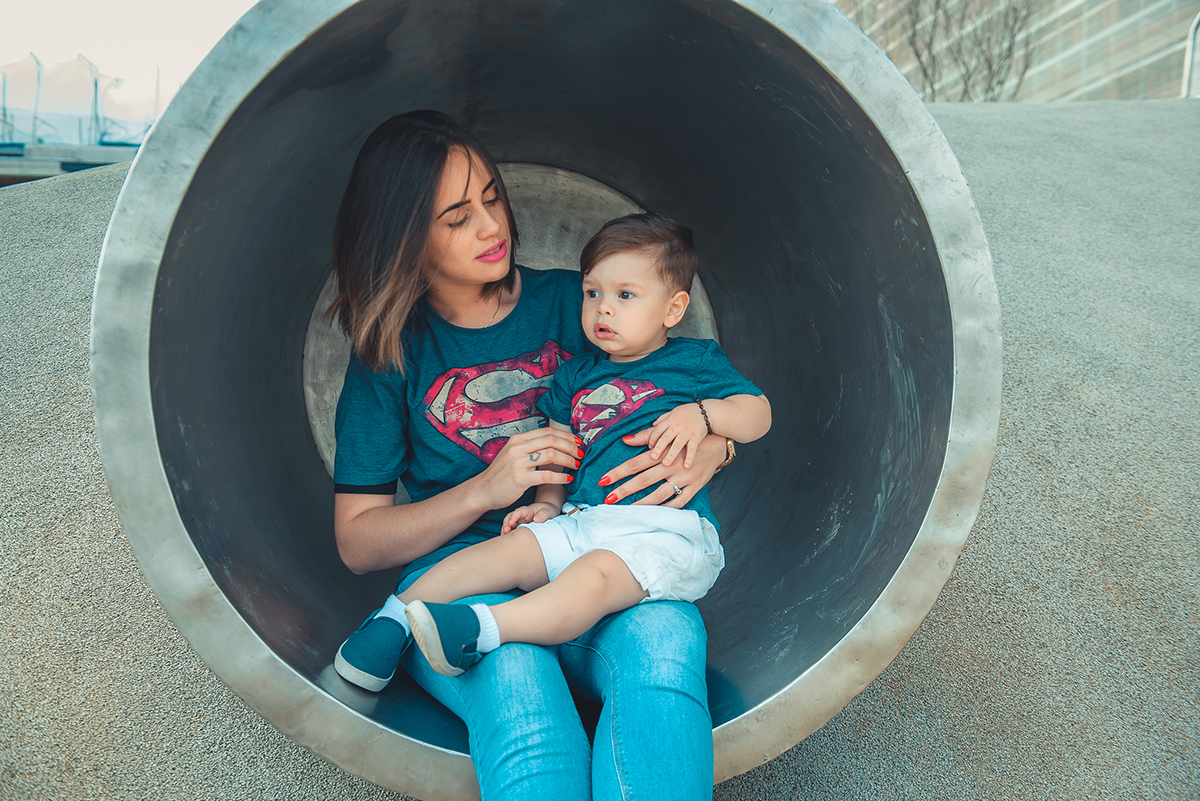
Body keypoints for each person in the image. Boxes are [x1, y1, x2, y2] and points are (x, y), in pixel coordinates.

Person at [327, 110, 732, 799]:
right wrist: (486, 489)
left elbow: (679, 390)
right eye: (456, 217)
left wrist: (711, 443)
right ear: (406, 240)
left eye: (490, 197)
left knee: (667, 641)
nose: (491, 226)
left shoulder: (578, 308)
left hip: (597, 561)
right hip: (459, 587)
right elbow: (358, 542)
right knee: (523, 694)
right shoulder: (392, 355)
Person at [337, 212, 771, 679]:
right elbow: (562, 453)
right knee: (507, 552)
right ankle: (393, 618)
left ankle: (481, 628)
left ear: (673, 308)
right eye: (592, 294)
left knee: (594, 578)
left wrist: (707, 419)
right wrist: (546, 505)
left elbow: (759, 413)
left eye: (625, 296)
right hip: (583, 521)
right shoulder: (574, 376)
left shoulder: (695, 361)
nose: (603, 308)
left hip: (660, 530)